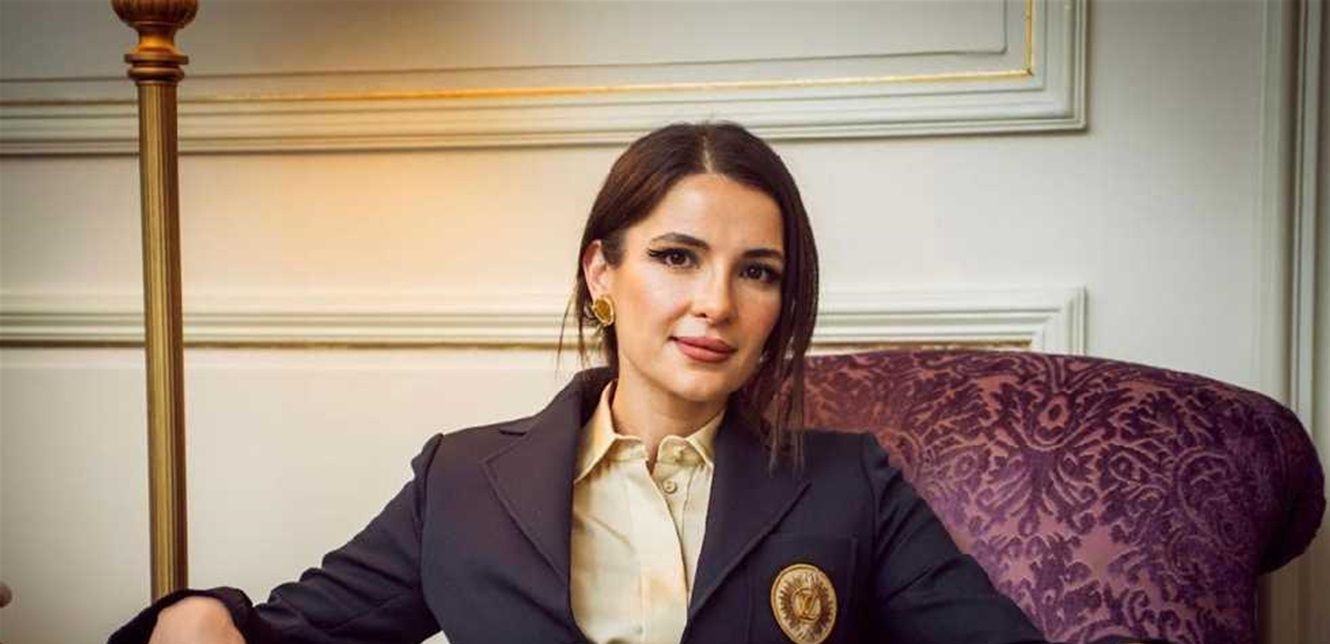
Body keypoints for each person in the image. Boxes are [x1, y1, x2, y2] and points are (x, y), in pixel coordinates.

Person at [111, 123, 1155, 644]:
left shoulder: (850, 484)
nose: (715, 303)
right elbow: (287, 636)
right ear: (601, 274)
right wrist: (200, 614)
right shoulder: (461, 480)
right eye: (676, 257)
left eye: (757, 272)